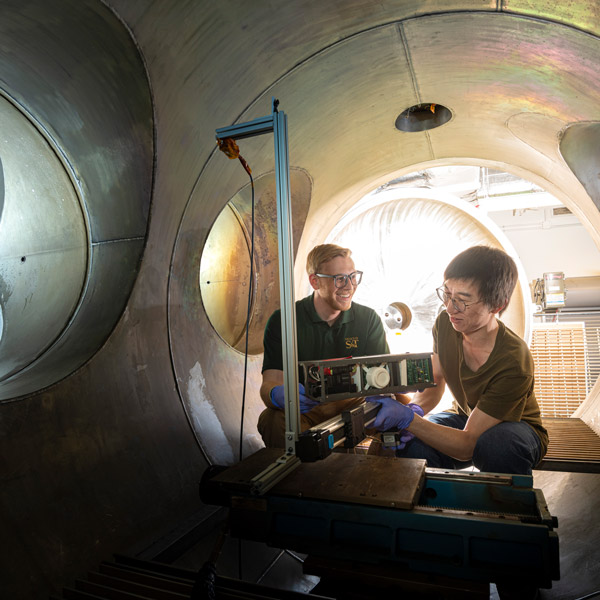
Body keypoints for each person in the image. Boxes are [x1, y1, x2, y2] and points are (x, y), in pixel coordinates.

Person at [366, 245, 548, 475]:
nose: (450, 308)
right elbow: (436, 379)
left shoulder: (514, 361)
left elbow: (467, 445)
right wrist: (415, 409)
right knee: (413, 443)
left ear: (496, 305)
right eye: (447, 294)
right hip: (467, 418)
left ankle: (505, 509)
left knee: (496, 446)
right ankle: (431, 508)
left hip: (518, 430)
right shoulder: (445, 324)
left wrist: (408, 419)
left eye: (462, 300)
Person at [258, 243, 392, 448]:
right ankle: (299, 477)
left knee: (390, 418)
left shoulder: (368, 319)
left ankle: (371, 475)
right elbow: (270, 383)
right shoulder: (284, 320)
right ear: (314, 281)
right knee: (272, 419)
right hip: (306, 411)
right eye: (339, 279)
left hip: (353, 406)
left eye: (353, 276)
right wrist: (278, 395)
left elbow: (384, 380)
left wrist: (402, 406)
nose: (349, 286)